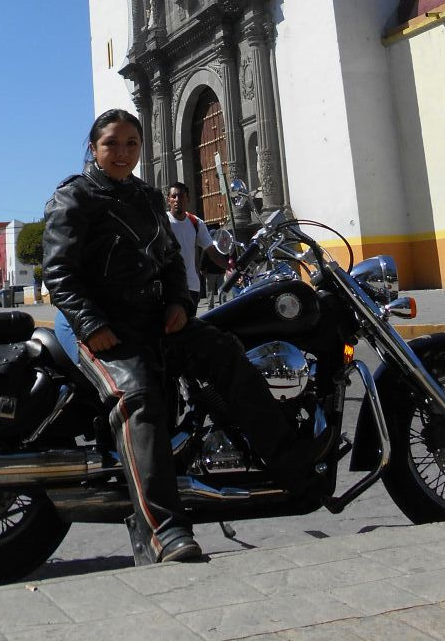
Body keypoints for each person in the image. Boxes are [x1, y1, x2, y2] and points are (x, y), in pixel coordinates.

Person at [43, 108, 326, 566]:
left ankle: (293, 468)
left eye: (132, 143)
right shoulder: (73, 197)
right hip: (94, 322)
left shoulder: (148, 197)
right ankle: (164, 532)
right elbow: (59, 272)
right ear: (93, 148)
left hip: (152, 316)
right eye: (112, 143)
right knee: (136, 396)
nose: (123, 152)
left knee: (227, 351)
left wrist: (180, 302)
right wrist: (91, 325)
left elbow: (173, 261)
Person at [165, 182, 229, 309]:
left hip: (191, 287)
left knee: (189, 326)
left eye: (181, 196)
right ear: (169, 200)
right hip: (169, 287)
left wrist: (230, 267)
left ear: (188, 199)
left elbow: (211, 251)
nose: (177, 200)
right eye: (174, 196)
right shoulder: (162, 221)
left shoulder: (195, 222)